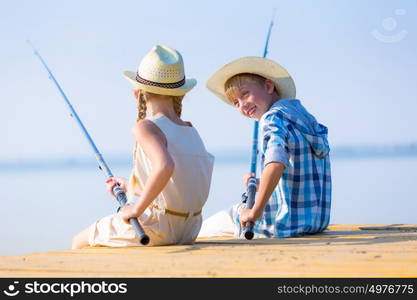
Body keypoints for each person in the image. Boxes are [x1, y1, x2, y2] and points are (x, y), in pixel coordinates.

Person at [72, 45, 214, 248]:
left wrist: (136, 208)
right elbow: (177, 185)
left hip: (157, 228)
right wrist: (130, 186)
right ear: (180, 94)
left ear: (137, 93)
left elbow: (165, 167)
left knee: (79, 241)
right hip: (190, 229)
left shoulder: (146, 126)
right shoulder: (191, 131)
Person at [199, 56, 331, 238]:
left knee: (199, 232)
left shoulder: (271, 119)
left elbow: (276, 163)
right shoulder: (304, 118)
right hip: (315, 222)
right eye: (236, 103)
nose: (242, 105)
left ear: (269, 87)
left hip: (280, 223)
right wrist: (259, 185)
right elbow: (295, 174)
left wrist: (255, 211)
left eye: (245, 94)